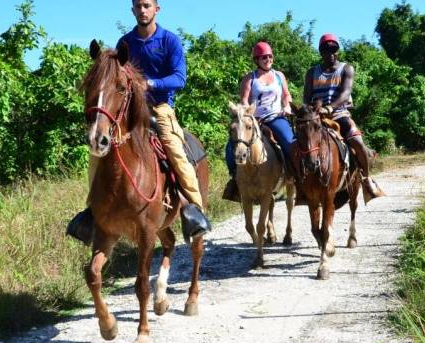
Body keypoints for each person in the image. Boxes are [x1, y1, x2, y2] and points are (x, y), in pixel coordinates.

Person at [67, 0, 210, 245]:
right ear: (132, 10)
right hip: (129, 111)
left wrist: (150, 84)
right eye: (138, 6)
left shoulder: (170, 41)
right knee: (97, 151)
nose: (143, 10)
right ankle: (92, 211)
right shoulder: (126, 43)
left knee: (175, 149)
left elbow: (180, 78)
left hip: (160, 109)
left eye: (147, 5)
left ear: (156, 9)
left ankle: (193, 210)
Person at [303, 33, 385, 203]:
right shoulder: (312, 73)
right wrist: (311, 111)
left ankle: (366, 179)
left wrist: (330, 108)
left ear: (338, 50)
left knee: (358, 143)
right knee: (299, 143)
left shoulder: (346, 69)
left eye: (333, 49)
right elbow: (306, 97)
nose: (330, 53)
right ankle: (297, 183)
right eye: (326, 50)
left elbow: (345, 93)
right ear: (321, 52)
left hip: (339, 114)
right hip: (316, 116)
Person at [222, 41, 295, 202]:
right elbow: (244, 101)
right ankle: (235, 180)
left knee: (290, 142)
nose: (267, 59)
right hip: (256, 120)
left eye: (270, 56)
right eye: (263, 57)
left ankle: (293, 177)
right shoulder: (250, 78)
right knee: (231, 146)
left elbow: (286, 95)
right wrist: (249, 114)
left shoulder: (279, 76)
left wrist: (287, 106)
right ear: (256, 59)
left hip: (276, 117)